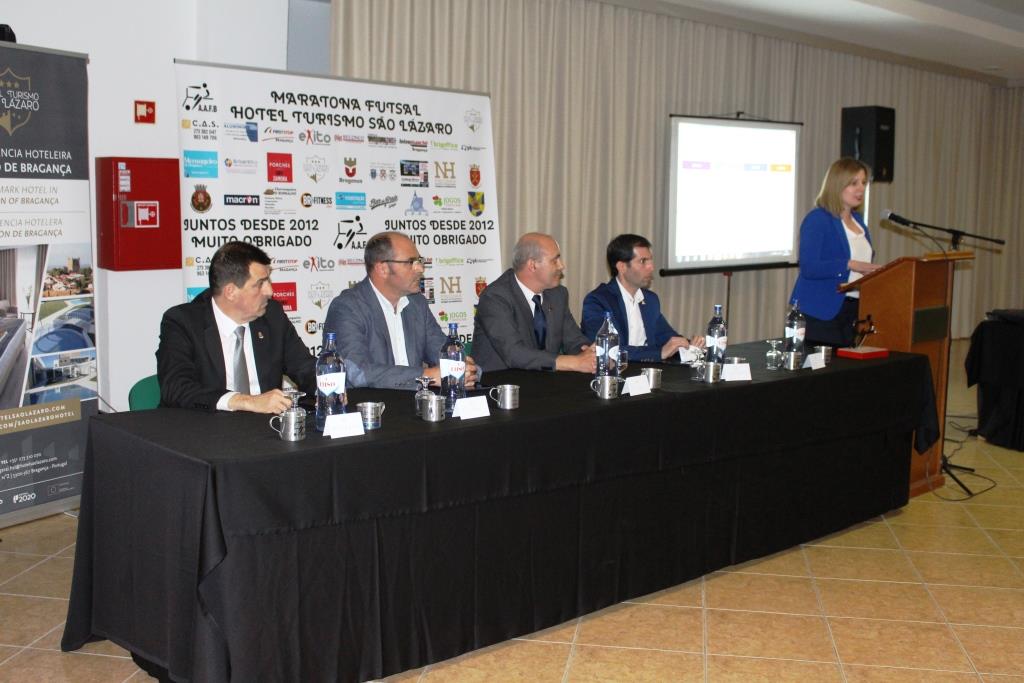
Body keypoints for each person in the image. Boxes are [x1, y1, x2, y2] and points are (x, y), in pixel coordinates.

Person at [157, 241, 316, 413]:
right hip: (203, 430)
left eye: (268, 280)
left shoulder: (273, 315)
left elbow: (305, 368)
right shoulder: (182, 322)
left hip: (265, 430)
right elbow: (176, 387)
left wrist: (330, 387)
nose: (270, 291)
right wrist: (246, 401)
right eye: (260, 283)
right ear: (231, 291)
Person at [323, 231, 479, 389]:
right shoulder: (347, 307)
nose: (420, 269)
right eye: (411, 262)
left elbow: (441, 351)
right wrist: (426, 376)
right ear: (383, 268)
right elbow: (357, 372)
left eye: (420, 261)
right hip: (369, 408)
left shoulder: (417, 303)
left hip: (416, 405)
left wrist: (465, 369)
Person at [790, 157, 882, 347]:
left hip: (854, 309)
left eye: (863, 183)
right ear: (837, 184)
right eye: (854, 183)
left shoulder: (859, 222)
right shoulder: (818, 219)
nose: (861, 189)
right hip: (822, 310)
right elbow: (809, 267)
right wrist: (848, 264)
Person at [472, 232, 596, 373]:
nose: (562, 266)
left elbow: (574, 341)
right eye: (555, 260)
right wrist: (572, 362)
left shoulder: (558, 294)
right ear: (532, 265)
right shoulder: (495, 297)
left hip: (544, 385)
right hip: (500, 386)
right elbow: (514, 353)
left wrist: (593, 355)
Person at [581, 234, 704, 362]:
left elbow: (665, 336)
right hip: (615, 374)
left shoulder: (650, 300)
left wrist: (688, 345)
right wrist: (659, 353)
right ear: (622, 267)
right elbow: (608, 349)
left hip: (646, 372)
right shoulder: (598, 301)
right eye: (643, 261)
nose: (651, 267)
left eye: (650, 260)